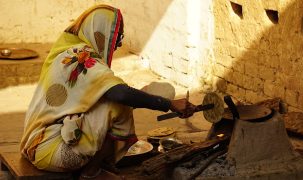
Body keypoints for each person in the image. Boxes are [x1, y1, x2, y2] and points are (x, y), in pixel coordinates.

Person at [20, 4, 196, 179]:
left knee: (115, 103)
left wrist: (144, 95)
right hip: (51, 151)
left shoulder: (67, 52)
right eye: (117, 37)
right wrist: (170, 104)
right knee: (120, 107)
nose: (118, 44)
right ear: (100, 32)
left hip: (35, 145)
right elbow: (120, 94)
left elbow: (97, 98)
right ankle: (91, 172)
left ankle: (100, 164)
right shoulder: (82, 57)